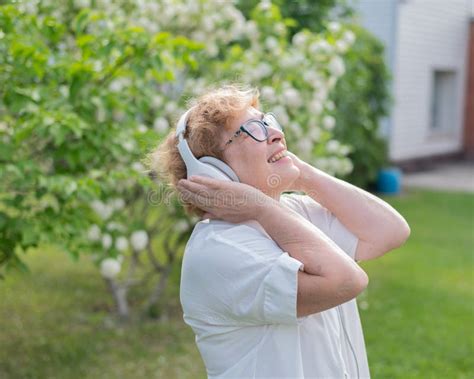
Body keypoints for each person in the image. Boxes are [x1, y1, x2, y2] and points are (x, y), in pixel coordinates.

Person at [148, 84, 410, 378]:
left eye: (268, 122)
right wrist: (261, 206)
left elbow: (390, 231)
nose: (275, 133)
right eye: (252, 129)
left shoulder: (291, 213)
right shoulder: (217, 251)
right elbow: (346, 281)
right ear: (213, 172)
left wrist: (299, 171)